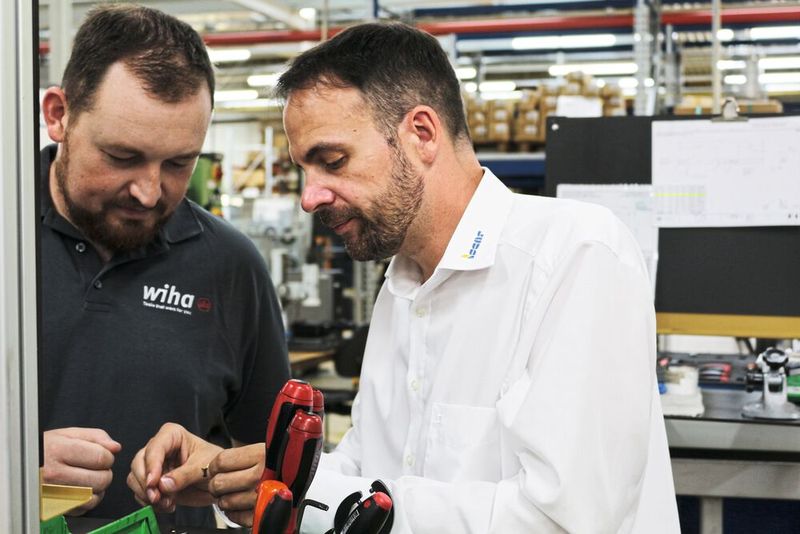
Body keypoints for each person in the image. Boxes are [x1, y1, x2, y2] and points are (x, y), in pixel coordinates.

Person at [131, 22, 680, 532]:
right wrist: (249, 479)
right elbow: (370, 466)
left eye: (333, 160)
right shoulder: (403, 284)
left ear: (421, 133)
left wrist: (342, 501)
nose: (309, 196)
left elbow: (564, 519)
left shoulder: (575, 256)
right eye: (305, 168)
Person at [38, 4, 290, 527]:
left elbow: (277, 469)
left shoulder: (231, 266)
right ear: (59, 115)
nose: (149, 192)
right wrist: (10, 469)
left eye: (179, 163)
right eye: (122, 156)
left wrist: (231, 480)